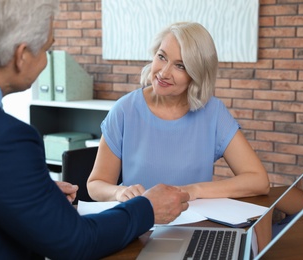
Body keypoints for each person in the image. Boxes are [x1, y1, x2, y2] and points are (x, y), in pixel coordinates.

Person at [0, 1, 190, 259]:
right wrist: (148, 208)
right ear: (21, 56)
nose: (46, 60)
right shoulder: (4, 138)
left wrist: (32, 191)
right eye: (47, 49)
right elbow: (75, 243)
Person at [87, 22, 270, 202]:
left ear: (196, 74)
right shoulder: (124, 110)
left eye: (180, 66)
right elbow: (96, 184)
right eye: (162, 57)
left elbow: (258, 181)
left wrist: (195, 190)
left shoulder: (213, 112)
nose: (164, 72)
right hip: (140, 224)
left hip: (195, 225)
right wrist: (119, 193)